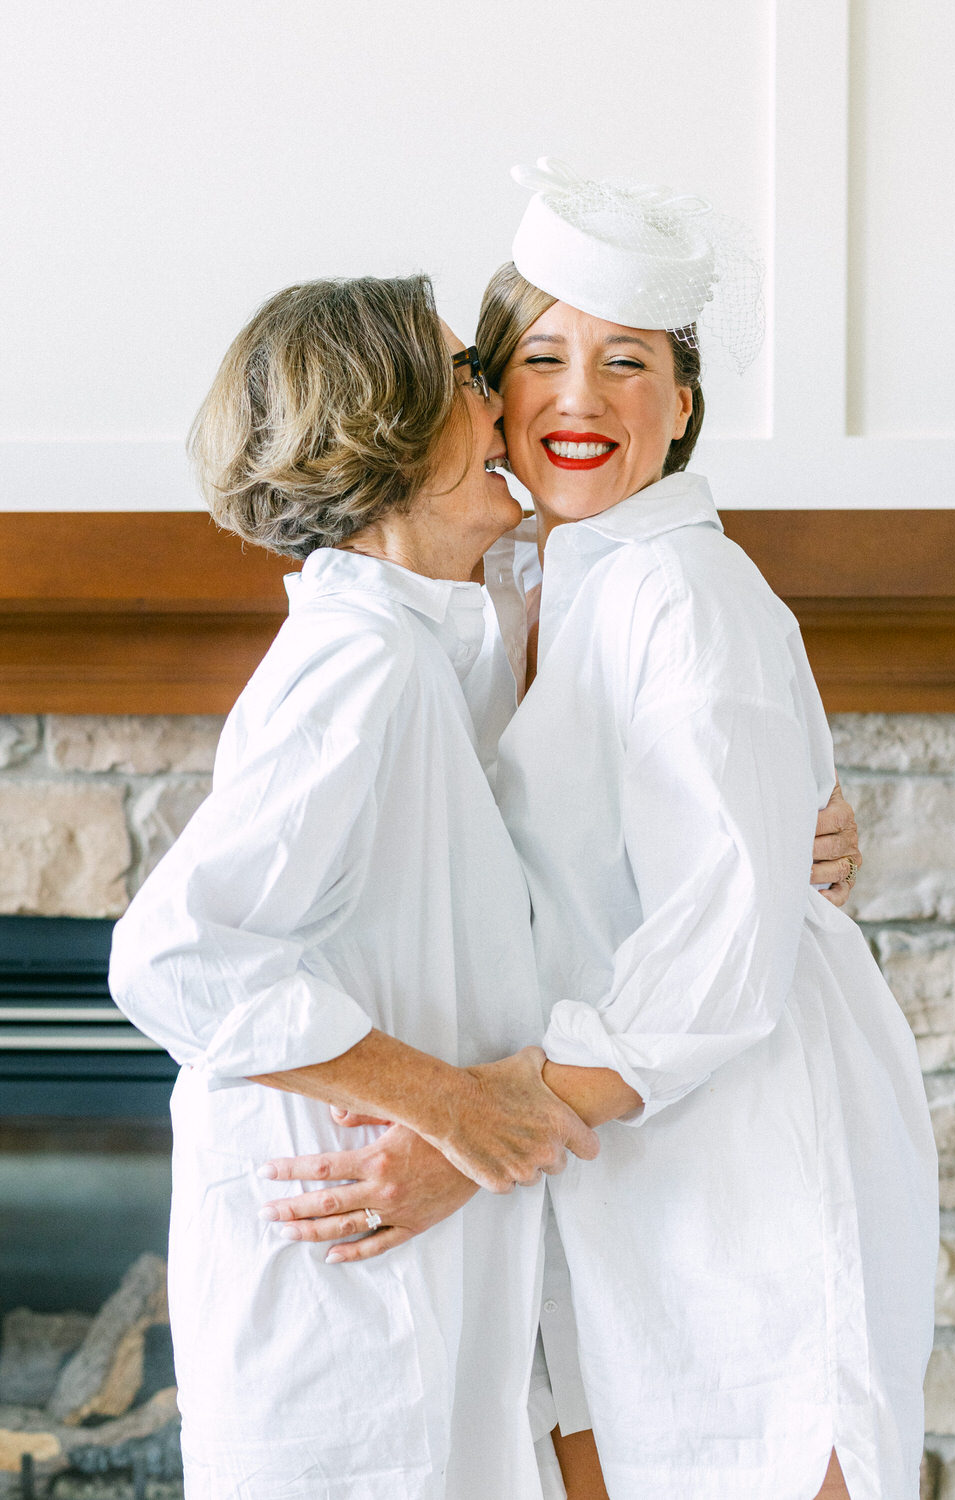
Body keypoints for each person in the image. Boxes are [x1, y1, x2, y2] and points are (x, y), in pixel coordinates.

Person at [267, 164, 936, 1500]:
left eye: (626, 362)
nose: (579, 397)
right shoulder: (506, 577)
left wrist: (476, 1130)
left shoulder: (681, 594)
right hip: (611, 1150)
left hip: (735, 1136)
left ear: (680, 407)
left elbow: (721, 950)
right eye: (544, 356)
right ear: (483, 399)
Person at [107, 273, 602, 1500]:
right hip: (343, 1349)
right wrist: (450, 1105)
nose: (502, 406)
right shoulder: (358, 667)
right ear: (384, 428)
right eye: (468, 380)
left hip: (407, 1315)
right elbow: (171, 956)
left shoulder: (424, 649)